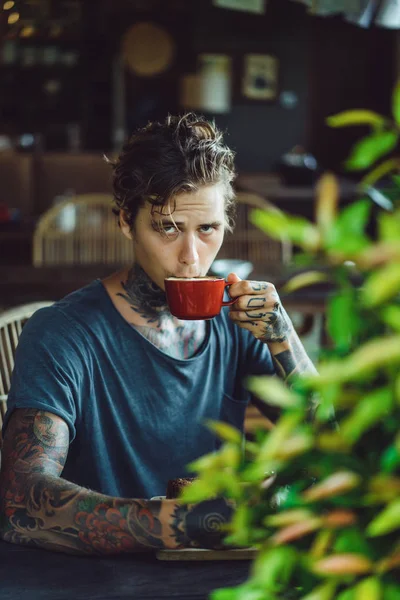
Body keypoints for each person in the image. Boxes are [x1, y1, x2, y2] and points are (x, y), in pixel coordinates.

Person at [0, 113, 317, 555]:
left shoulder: (241, 324)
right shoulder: (63, 334)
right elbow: (21, 505)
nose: (190, 257)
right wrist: (197, 523)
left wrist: (284, 338)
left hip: (221, 574)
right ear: (127, 223)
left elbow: (330, 450)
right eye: (167, 227)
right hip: (100, 580)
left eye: (207, 229)